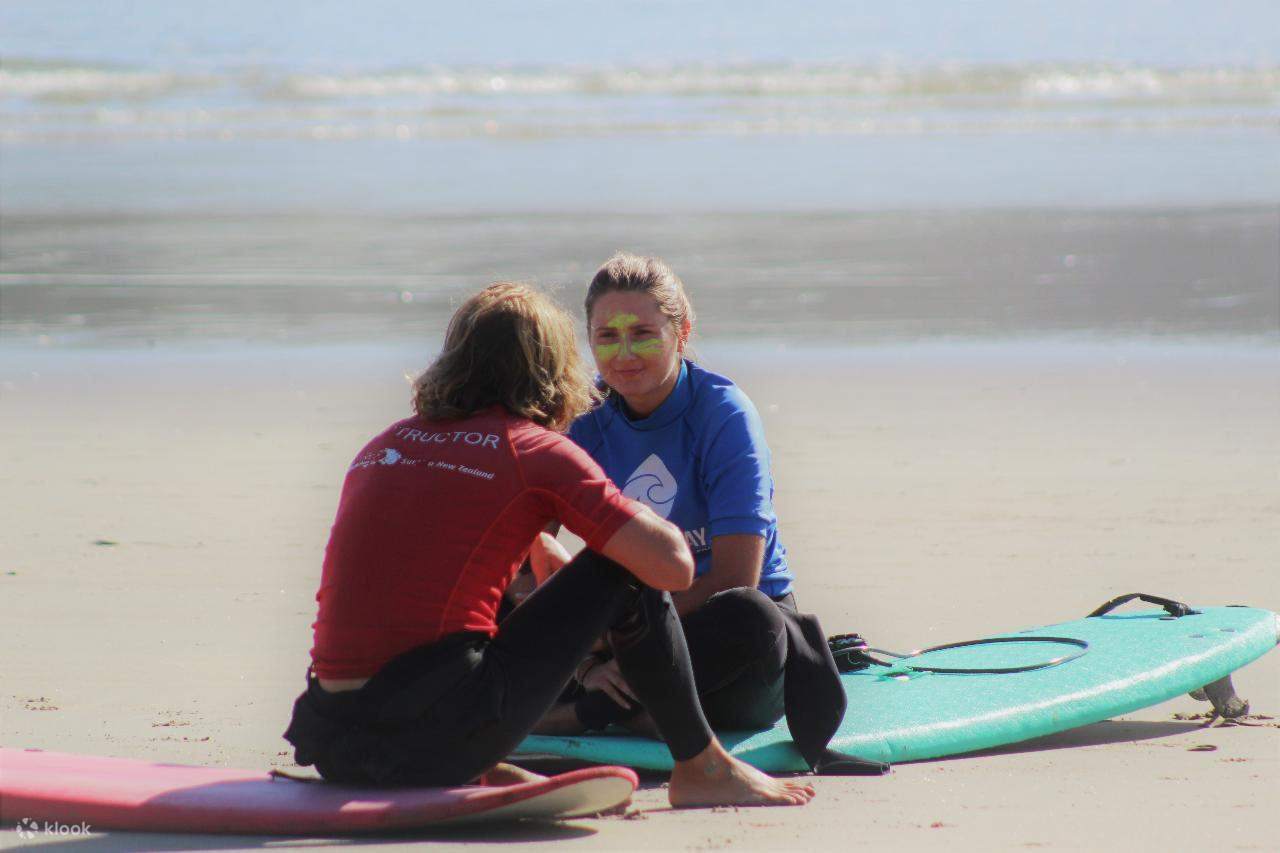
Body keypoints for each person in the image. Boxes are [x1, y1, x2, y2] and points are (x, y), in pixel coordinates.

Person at [282, 282, 814, 807]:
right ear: (551, 367)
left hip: (333, 741)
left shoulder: (384, 447)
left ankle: (520, 739)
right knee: (626, 567)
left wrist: (535, 543)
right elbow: (672, 567)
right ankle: (701, 767)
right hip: (436, 743)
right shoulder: (533, 452)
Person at [533, 253, 804, 738]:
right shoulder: (583, 418)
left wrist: (618, 647)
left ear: (681, 334)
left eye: (643, 333)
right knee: (492, 599)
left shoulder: (724, 414)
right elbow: (527, 549)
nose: (624, 354)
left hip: (718, 635)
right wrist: (586, 661)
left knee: (752, 617)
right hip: (620, 630)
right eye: (607, 337)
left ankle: (584, 714)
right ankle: (633, 709)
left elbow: (736, 577)